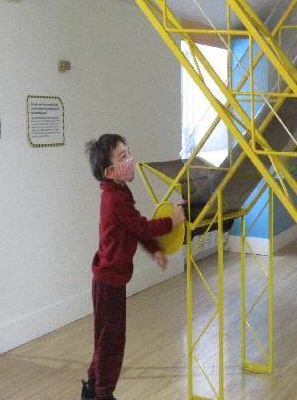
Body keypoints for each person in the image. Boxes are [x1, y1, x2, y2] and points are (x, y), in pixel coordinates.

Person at [81, 134, 185, 400]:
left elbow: (135, 230)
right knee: (111, 341)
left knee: (107, 339)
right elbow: (142, 226)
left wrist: (155, 250)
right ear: (110, 171)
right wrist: (172, 221)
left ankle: (92, 388)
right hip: (108, 283)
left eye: (129, 153)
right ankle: (103, 393)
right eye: (123, 156)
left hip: (112, 281)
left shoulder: (120, 193)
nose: (130, 160)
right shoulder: (114, 200)